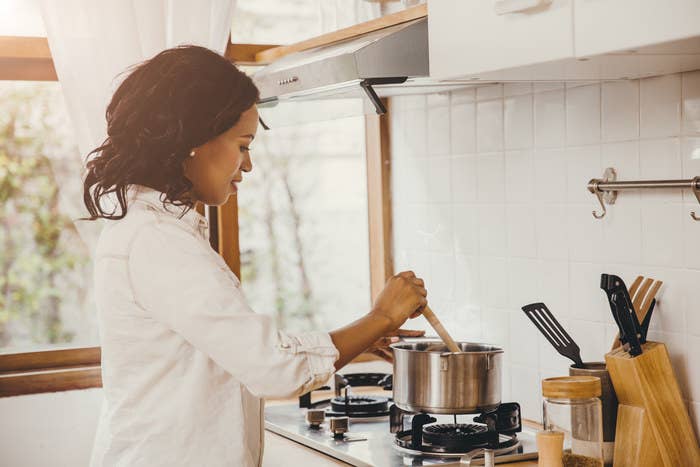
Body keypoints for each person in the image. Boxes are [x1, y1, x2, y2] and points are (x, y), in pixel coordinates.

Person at [82, 45, 427, 467]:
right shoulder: (158, 241)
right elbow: (274, 369)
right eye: (243, 145)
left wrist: (367, 334)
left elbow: (238, 347)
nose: (248, 165)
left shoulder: (152, 229)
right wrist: (382, 317)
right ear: (194, 140)